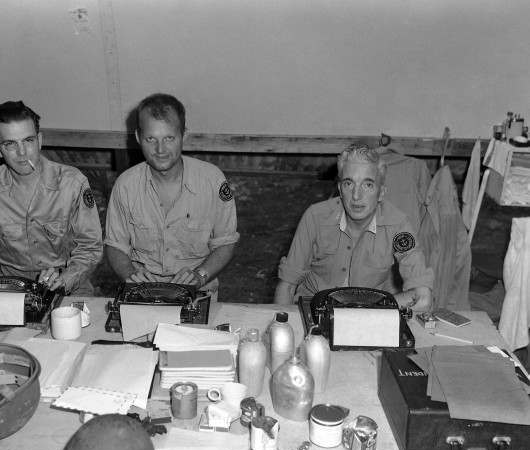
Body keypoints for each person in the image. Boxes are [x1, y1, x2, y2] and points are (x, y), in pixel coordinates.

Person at [0, 100, 103, 295]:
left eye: (28, 141)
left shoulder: (72, 183)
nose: (22, 153)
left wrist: (66, 278)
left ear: (40, 140)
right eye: (10, 144)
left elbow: (91, 247)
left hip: (69, 283)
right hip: (11, 285)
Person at [104, 93, 239, 298]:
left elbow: (225, 242)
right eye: (151, 139)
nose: (160, 150)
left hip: (198, 291)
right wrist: (130, 275)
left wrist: (200, 275)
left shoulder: (212, 181)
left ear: (184, 135)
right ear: (139, 138)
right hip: (143, 291)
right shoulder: (126, 185)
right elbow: (115, 246)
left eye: (169, 138)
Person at [274, 144, 433, 311]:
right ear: (340, 189)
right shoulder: (315, 217)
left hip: (371, 317)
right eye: (349, 184)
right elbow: (287, 286)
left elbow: (422, 298)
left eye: (368, 185)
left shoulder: (398, 226)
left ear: (381, 193)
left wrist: (363, 311)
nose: (356, 196)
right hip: (314, 313)